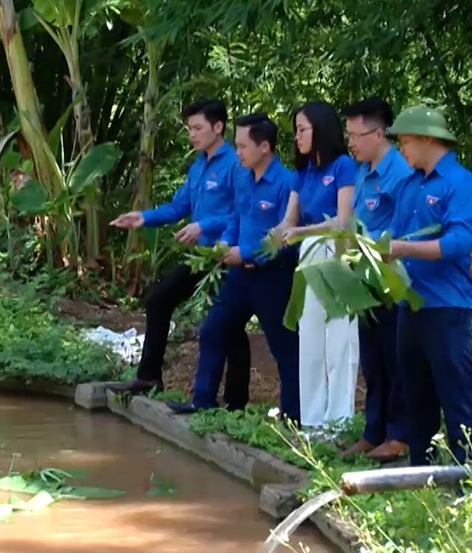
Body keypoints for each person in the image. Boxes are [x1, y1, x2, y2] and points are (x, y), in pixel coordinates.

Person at [108, 98, 251, 407]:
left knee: (228, 326)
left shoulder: (236, 164)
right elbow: (178, 206)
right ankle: (149, 376)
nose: (192, 134)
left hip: (226, 256)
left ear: (218, 127)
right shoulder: (199, 164)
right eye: (189, 129)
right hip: (199, 256)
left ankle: (236, 403)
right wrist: (144, 217)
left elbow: (243, 213)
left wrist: (204, 225)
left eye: (198, 128)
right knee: (159, 300)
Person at [368, 103, 472, 465]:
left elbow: (458, 243)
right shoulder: (409, 185)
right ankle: (421, 470)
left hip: (448, 306)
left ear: (426, 139)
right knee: (415, 394)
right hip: (411, 304)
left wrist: (403, 249)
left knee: (455, 391)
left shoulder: (460, 183)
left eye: (404, 141)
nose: (401, 149)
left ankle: (471, 472)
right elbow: (394, 235)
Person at [168, 113, 300, 420]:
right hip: (240, 275)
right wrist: (227, 243)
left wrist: (249, 252)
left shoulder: (287, 183)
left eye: (242, 146)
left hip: (273, 277)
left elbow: (285, 237)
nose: (237, 152)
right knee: (214, 330)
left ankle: (294, 416)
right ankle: (203, 401)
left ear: (264, 146)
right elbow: (236, 218)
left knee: (283, 347)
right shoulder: (242, 178)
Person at [338, 97, 416, 459]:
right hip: (363, 278)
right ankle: (374, 431)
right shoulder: (362, 170)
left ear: (380, 133)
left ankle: (399, 435)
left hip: (392, 280)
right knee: (372, 359)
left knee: (394, 359)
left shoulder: (400, 173)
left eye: (357, 134)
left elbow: (406, 230)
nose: (351, 142)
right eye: (348, 134)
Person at [274, 100, 359, 430]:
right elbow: (288, 220)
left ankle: (338, 421)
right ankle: (312, 423)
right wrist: (277, 233)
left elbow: (342, 221)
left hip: (336, 255)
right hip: (307, 255)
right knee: (309, 339)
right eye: (295, 131)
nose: (297, 137)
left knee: (338, 342)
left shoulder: (343, 167)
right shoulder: (302, 172)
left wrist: (300, 232)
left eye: (302, 129)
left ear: (321, 129)